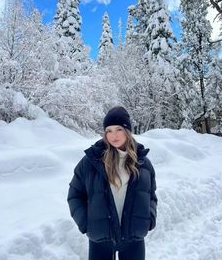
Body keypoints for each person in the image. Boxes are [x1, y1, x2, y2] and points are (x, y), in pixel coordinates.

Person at [67, 106, 157, 260]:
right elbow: (74, 195)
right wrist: (86, 224)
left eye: (119, 129)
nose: (114, 135)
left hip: (133, 238)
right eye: (109, 130)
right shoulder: (91, 161)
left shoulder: (143, 163)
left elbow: (150, 195)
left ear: (127, 130)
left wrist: (149, 218)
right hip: (100, 238)